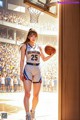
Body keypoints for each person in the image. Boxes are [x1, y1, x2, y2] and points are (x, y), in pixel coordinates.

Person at [20, 28, 54, 120]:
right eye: (31, 35)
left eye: (35, 35)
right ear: (28, 37)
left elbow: (44, 59)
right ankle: (27, 114)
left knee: (36, 95)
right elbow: (22, 60)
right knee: (27, 93)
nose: (33, 37)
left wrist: (51, 55)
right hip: (28, 69)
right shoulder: (24, 46)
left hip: (38, 69)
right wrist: (20, 72)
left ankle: (33, 111)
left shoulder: (39, 47)